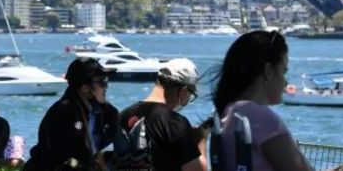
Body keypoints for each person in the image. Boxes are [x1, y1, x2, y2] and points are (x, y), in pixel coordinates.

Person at [210, 31, 312, 171]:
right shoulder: (259, 117)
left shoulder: (231, 111)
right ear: (269, 71)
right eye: (283, 71)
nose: (285, 81)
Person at [112, 58, 206, 171]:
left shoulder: (123, 116)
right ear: (183, 91)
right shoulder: (175, 123)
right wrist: (201, 140)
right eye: (190, 95)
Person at [24, 57, 117, 171]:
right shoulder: (63, 113)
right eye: (102, 82)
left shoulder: (106, 111)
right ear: (84, 88)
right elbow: (64, 158)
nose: (106, 87)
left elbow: (117, 128)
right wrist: (88, 166)